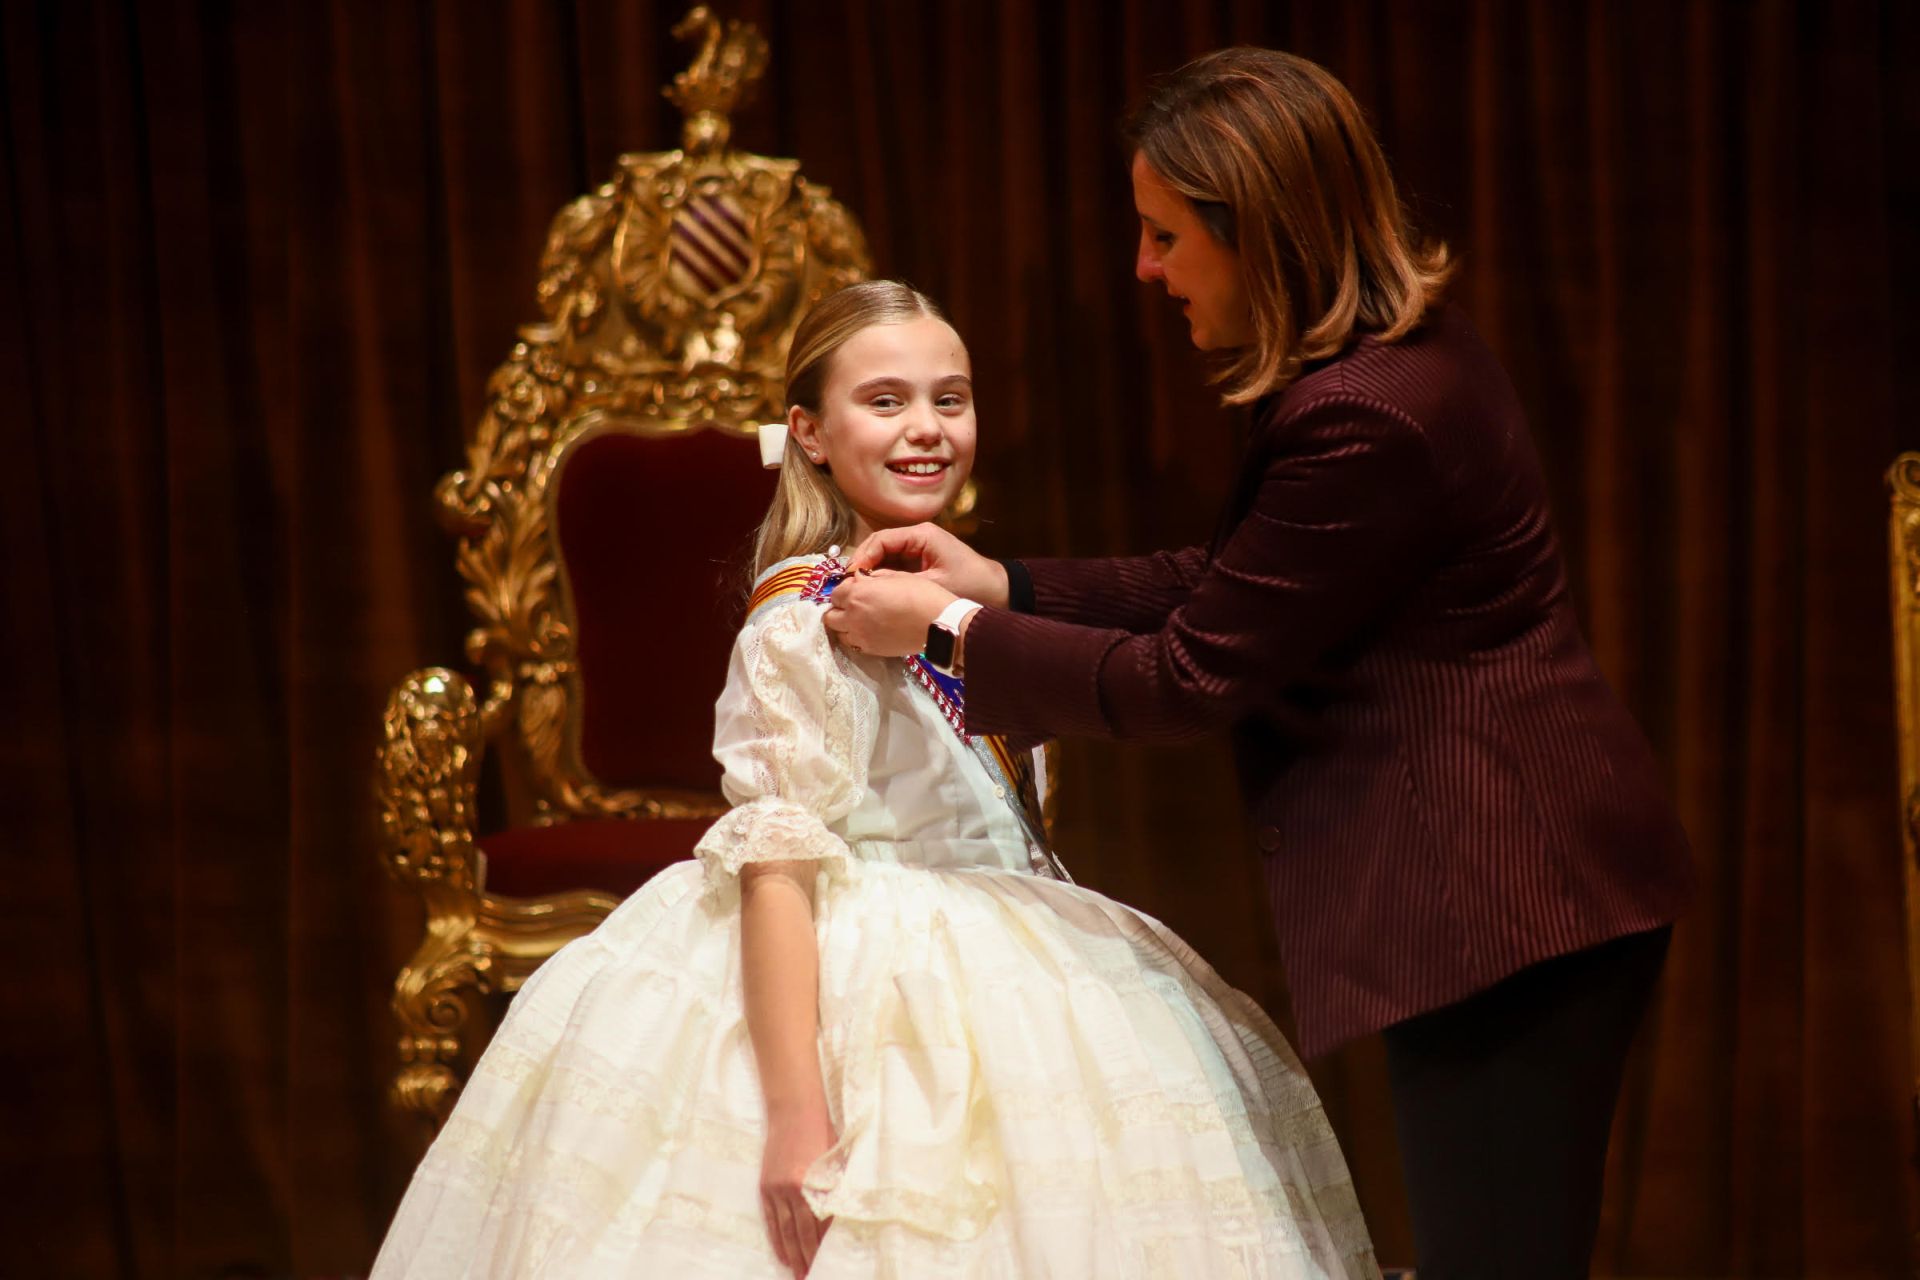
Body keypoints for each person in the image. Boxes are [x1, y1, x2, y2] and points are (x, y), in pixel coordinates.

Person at [826, 49, 1695, 1280]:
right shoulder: (1391, 367)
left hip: (1510, 898)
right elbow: (1232, 577)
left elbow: (1186, 676)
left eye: (1168, 236)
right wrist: (1001, 582)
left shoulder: (1368, 415)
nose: (1145, 268)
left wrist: (942, 633)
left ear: (1263, 236)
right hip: (1510, 890)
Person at [369, 280, 1378, 1279]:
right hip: (851, 973)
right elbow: (776, 865)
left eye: (951, 396)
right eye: (885, 400)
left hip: (1012, 961)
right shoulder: (805, 621)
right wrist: (797, 1114)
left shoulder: (960, 597)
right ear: (807, 430)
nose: (926, 427)